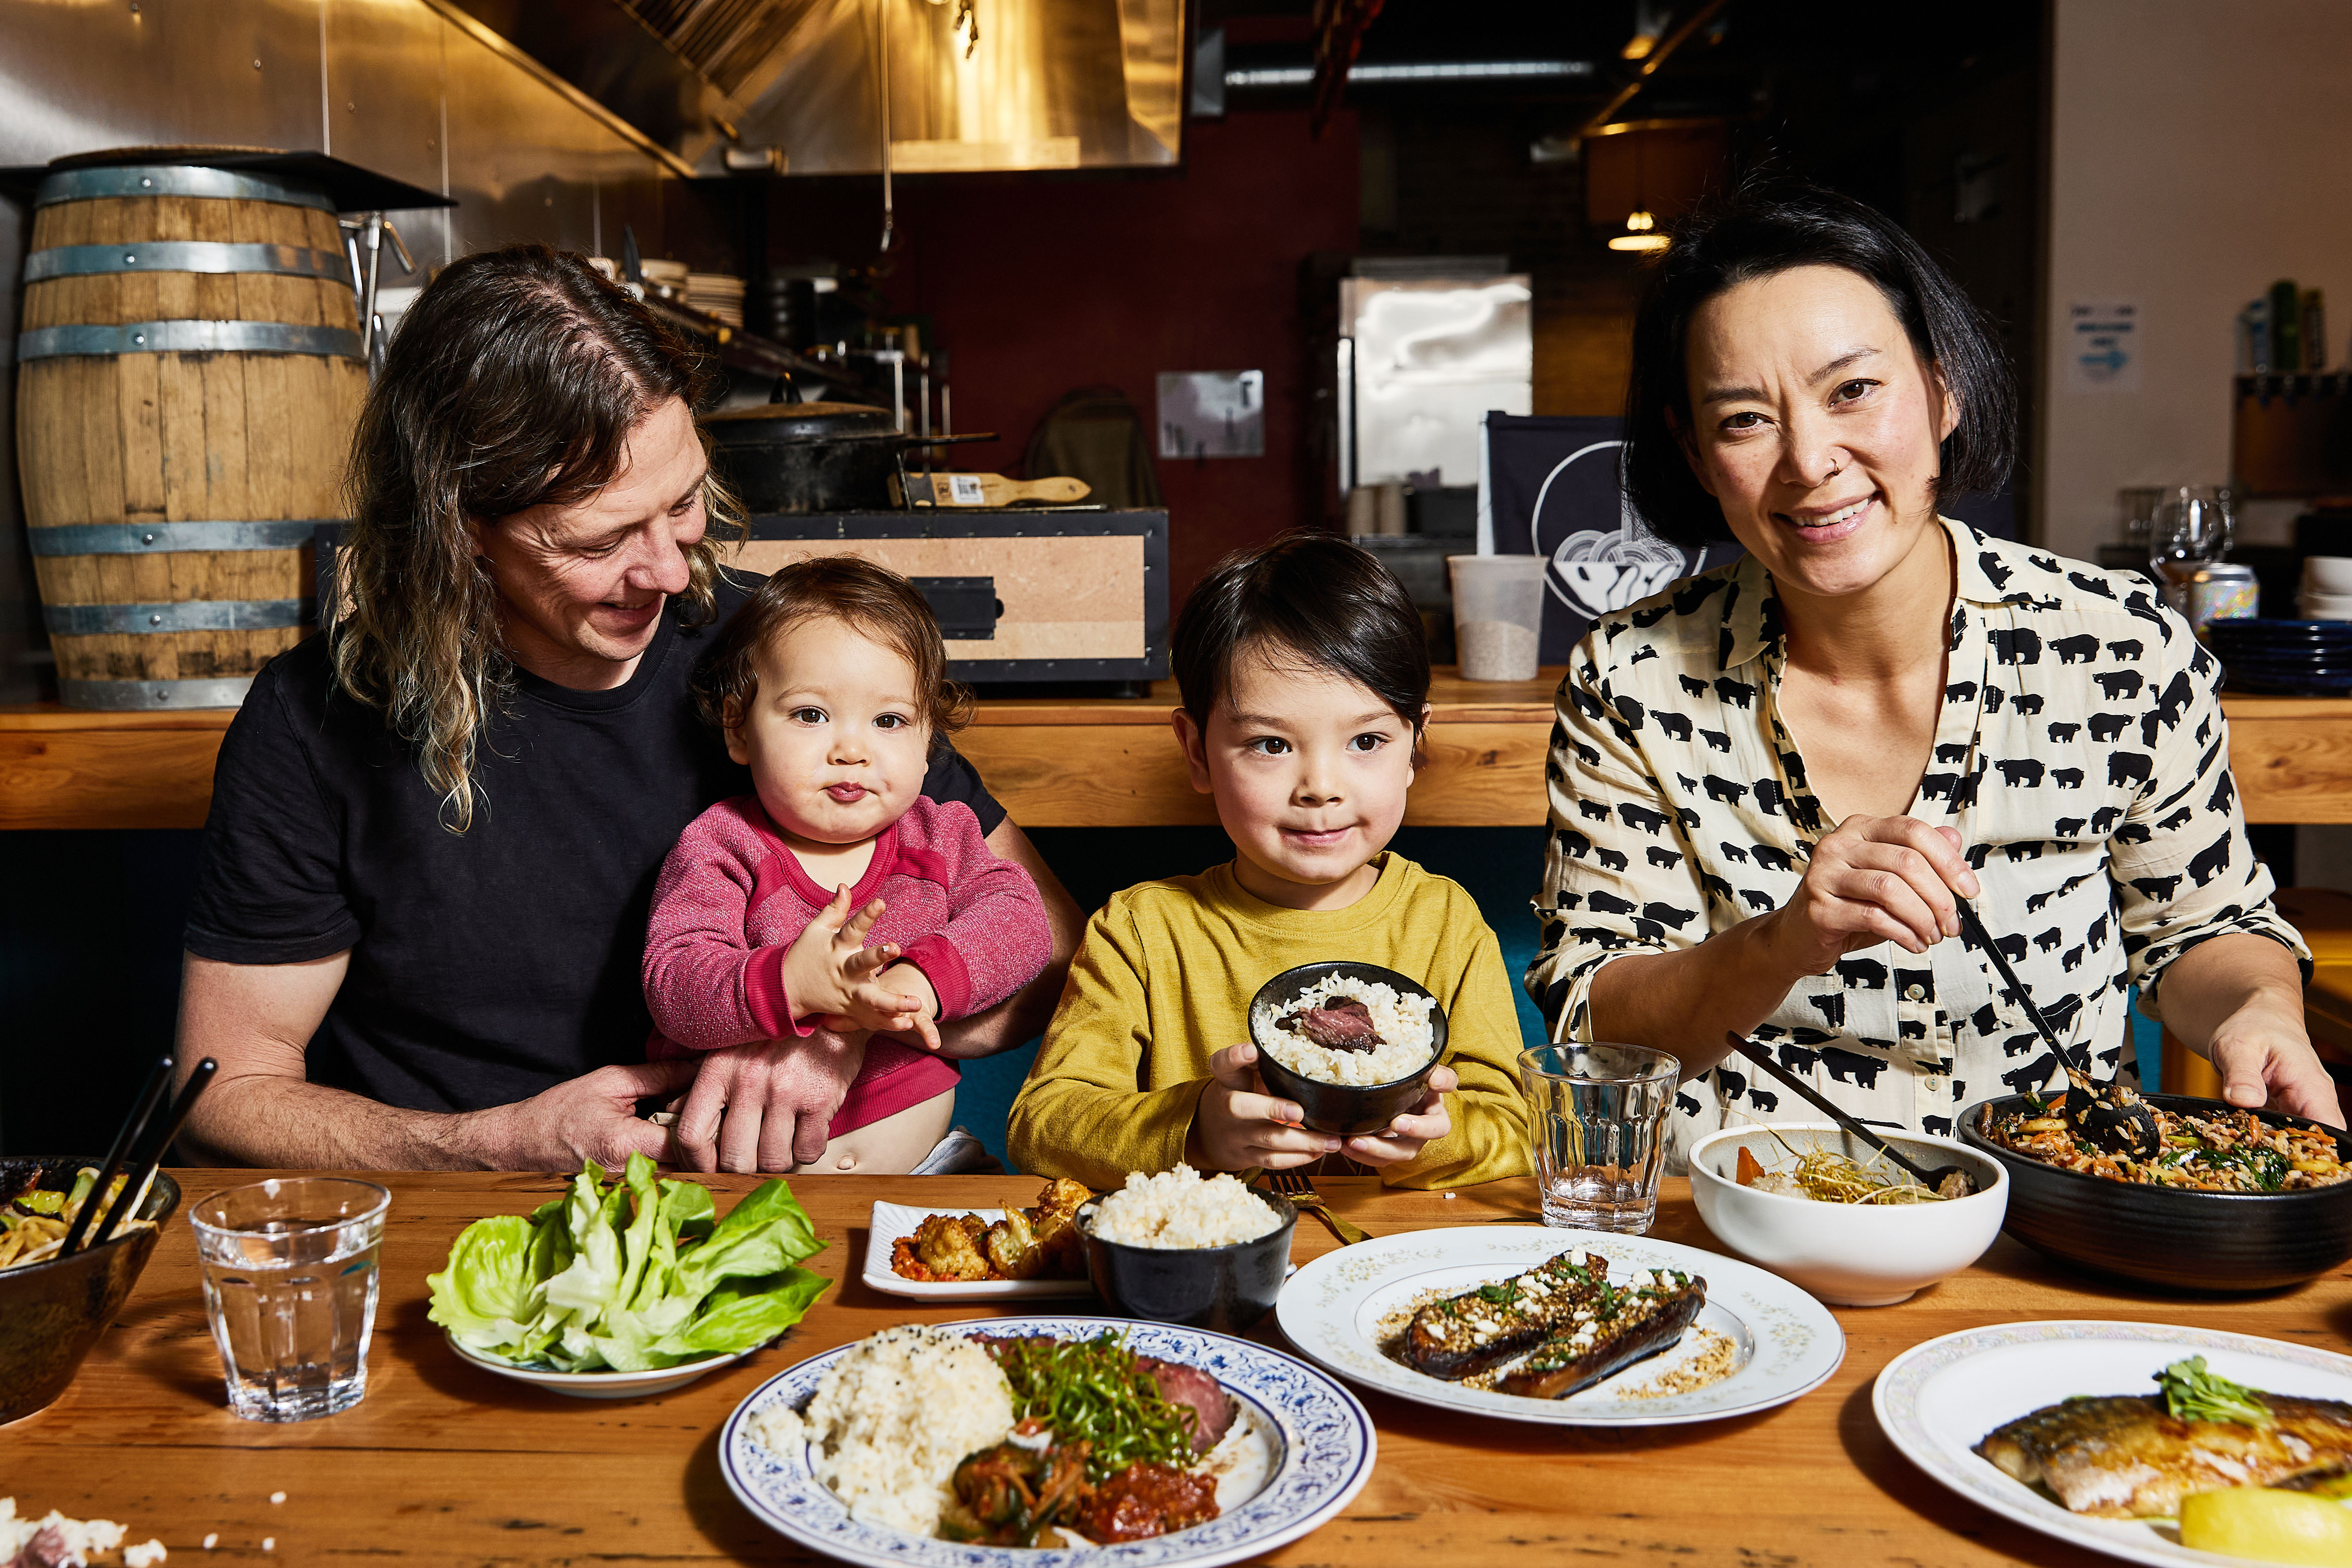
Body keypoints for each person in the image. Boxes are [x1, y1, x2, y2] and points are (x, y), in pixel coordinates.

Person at [174, 245, 1081, 1174]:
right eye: (600, 538)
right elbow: (228, 1089)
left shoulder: (794, 668)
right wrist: (489, 1145)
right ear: (460, 529)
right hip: (464, 1222)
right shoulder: (313, 715)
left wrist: (838, 1026)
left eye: (683, 502)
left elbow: (1054, 957)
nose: (669, 570)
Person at [1525, 182, 2340, 1164]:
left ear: (1941, 387)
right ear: (1695, 456)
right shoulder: (1632, 678)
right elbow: (1600, 1029)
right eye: (1744, 420)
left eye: (1852, 391)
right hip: (1733, 1222)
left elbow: (2199, 929)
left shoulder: (2118, 643)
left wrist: (2259, 1012)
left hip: (2048, 1212)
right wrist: (1782, 940)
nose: (1809, 460)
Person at [1009, 534, 1532, 1189]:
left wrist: (1432, 1134)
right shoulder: (1140, 931)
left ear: (1415, 749)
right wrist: (1195, 1128)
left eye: (1365, 741)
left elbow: (1513, 1128)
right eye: (1270, 744)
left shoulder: (1444, 923)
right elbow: (1041, 1127)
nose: (1320, 785)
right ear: (1196, 752)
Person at [641, 556, 1055, 1171]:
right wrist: (793, 982)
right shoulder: (723, 845)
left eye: (889, 721)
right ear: (738, 728)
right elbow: (674, 983)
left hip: (929, 1168)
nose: (852, 750)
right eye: (810, 714)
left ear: (927, 746)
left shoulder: (941, 835)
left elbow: (1022, 925)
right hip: (746, 1178)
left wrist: (913, 984)